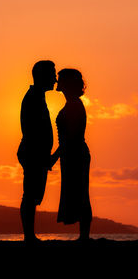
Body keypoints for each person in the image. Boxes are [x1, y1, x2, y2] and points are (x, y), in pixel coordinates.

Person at [17, 60, 57, 243]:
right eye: (52, 74)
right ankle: (29, 236)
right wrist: (43, 155)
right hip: (34, 152)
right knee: (31, 194)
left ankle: (29, 235)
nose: (55, 79)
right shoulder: (33, 97)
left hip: (36, 153)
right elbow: (32, 130)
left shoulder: (37, 96)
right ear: (42, 75)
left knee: (33, 194)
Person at [51, 68, 92, 240]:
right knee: (78, 192)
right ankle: (83, 236)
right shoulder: (72, 104)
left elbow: (71, 137)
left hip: (76, 154)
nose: (57, 82)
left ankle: (84, 237)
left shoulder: (75, 105)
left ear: (67, 83)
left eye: (60, 79)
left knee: (81, 193)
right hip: (71, 154)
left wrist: (54, 157)